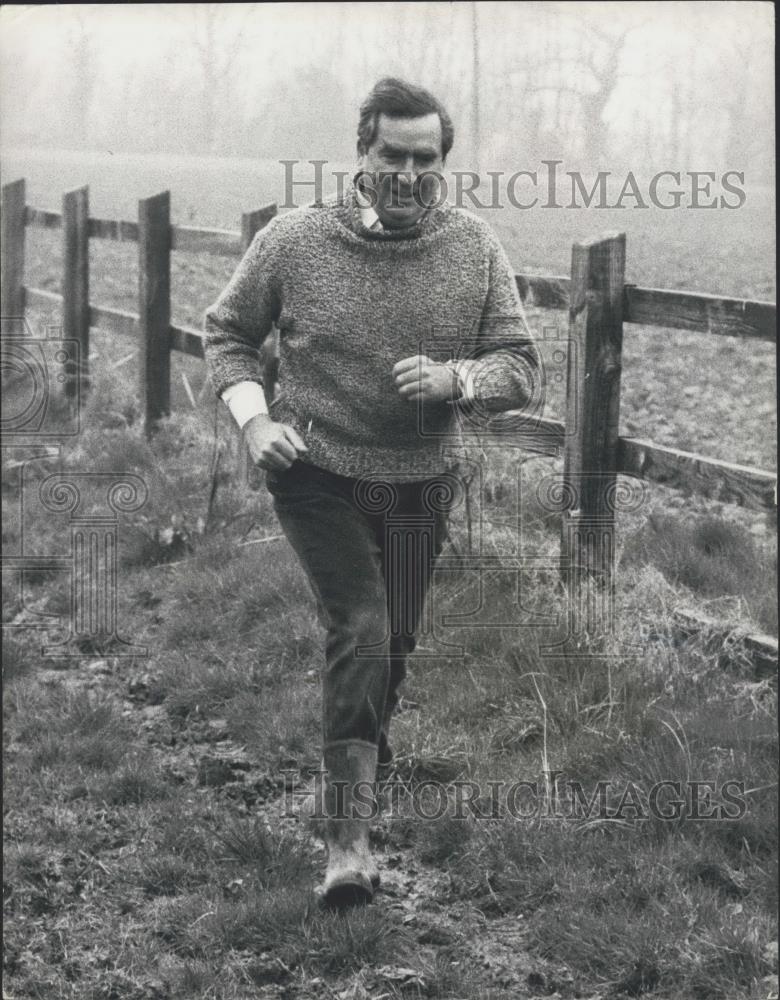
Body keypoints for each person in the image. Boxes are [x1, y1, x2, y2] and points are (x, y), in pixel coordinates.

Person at [203, 77, 542, 909]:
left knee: (392, 649)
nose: (408, 173)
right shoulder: (296, 239)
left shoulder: (473, 247)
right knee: (361, 629)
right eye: (392, 154)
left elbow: (522, 368)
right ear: (362, 152)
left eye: (425, 159)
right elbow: (227, 335)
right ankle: (346, 846)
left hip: (422, 484)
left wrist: (457, 378)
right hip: (315, 472)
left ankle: (354, 775)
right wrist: (254, 423)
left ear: (443, 164)